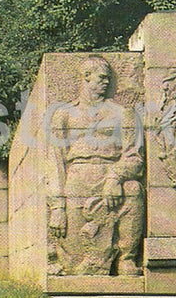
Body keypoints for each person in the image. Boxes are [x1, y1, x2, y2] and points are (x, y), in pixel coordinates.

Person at [47, 56, 145, 276]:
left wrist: (115, 177)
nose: (106, 83)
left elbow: (135, 158)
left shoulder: (123, 113)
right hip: (77, 182)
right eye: (101, 78)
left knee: (134, 190)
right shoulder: (64, 115)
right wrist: (57, 207)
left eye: (109, 79)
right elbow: (56, 162)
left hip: (109, 178)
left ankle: (126, 259)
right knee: (74, 267)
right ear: (85, 77)